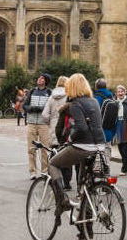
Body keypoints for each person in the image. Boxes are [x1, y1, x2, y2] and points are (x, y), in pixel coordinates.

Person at [48, 74, 106, 217]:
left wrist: (70, 139)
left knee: (52, 164)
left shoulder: (75, 104)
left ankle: (62, 199)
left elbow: (81, 128)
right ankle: (85, 229)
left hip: (83, 146)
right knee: (85, 186)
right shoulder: (93, 101)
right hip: (99, 145)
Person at [42, 76, 72, 188]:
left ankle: (55, 181)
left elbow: (44, 115)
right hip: (65, 129)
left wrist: (50, 123)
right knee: (66, 157)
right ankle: (67, 183)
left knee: (54, 156)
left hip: (54, 130)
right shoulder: (69, 97)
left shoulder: (51, 97)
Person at [101, 84, 127, 175]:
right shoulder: (114, 102)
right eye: (118, 92)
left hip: (126, 126)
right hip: (117, 125)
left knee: (126, 148)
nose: (120, 93)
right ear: (116, 93)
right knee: (120, 147)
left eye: (122, 91)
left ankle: (124, 169)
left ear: (125, 92)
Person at [25, 74, 54, 172]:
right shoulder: (32, 91)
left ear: (45, 81)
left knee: (45, 149)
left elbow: (51, 107)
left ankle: (44, 171)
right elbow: (25, 105)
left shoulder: (49, 92)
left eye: (41, 78)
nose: (39, 79)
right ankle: (32, 171)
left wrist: (42, 109)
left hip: (44, 124)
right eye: (39, 77)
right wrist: (31, 108)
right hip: (32, 123)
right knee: (31, 148)